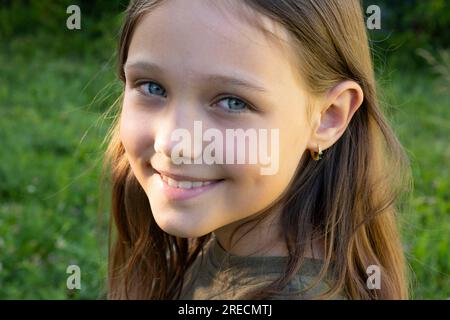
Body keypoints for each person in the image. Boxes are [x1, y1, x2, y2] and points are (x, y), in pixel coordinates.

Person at [104, 0, 410, 299]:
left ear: (328, 117)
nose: (172, 143)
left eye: (233, 102)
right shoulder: (231, 241)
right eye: (152, 87)